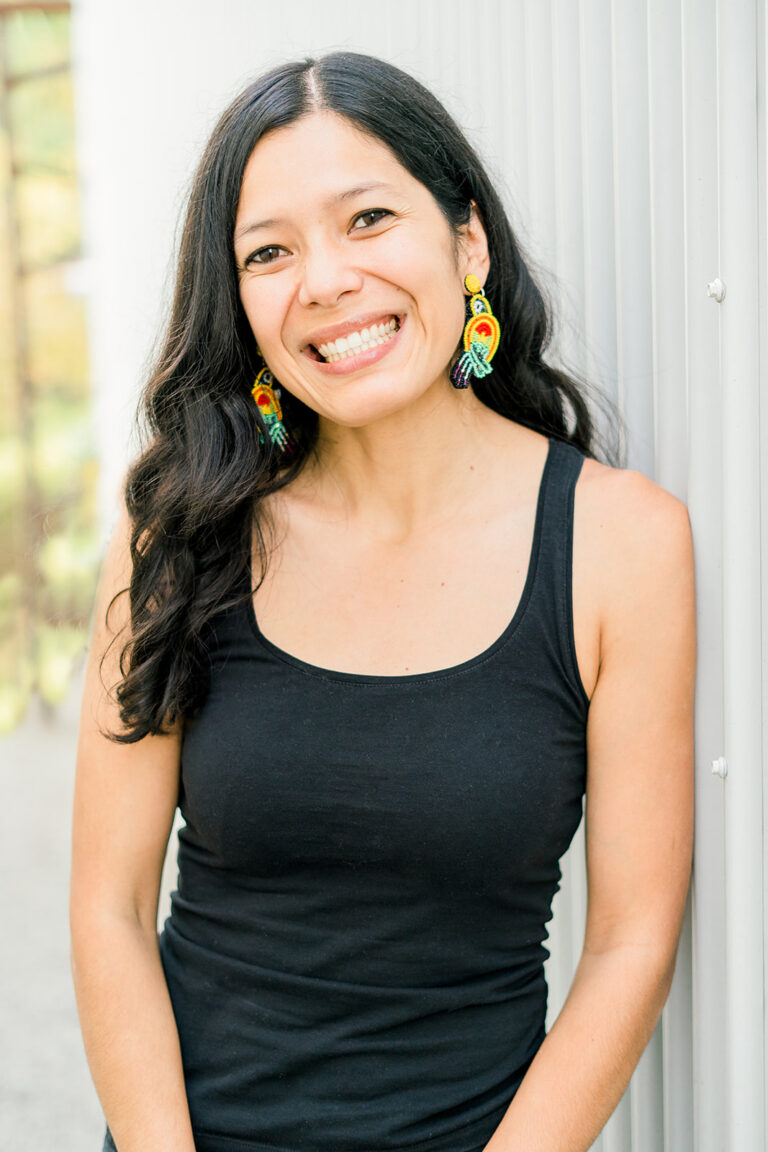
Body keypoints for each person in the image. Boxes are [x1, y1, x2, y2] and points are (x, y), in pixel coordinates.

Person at [69, 51, 696, 1152]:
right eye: (270, 251)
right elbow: (108, 911)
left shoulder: (621, 544)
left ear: (467, 242)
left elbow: (632, 944)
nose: (325, 280)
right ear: (243, 304)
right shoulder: (179, 533)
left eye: (367, 220)